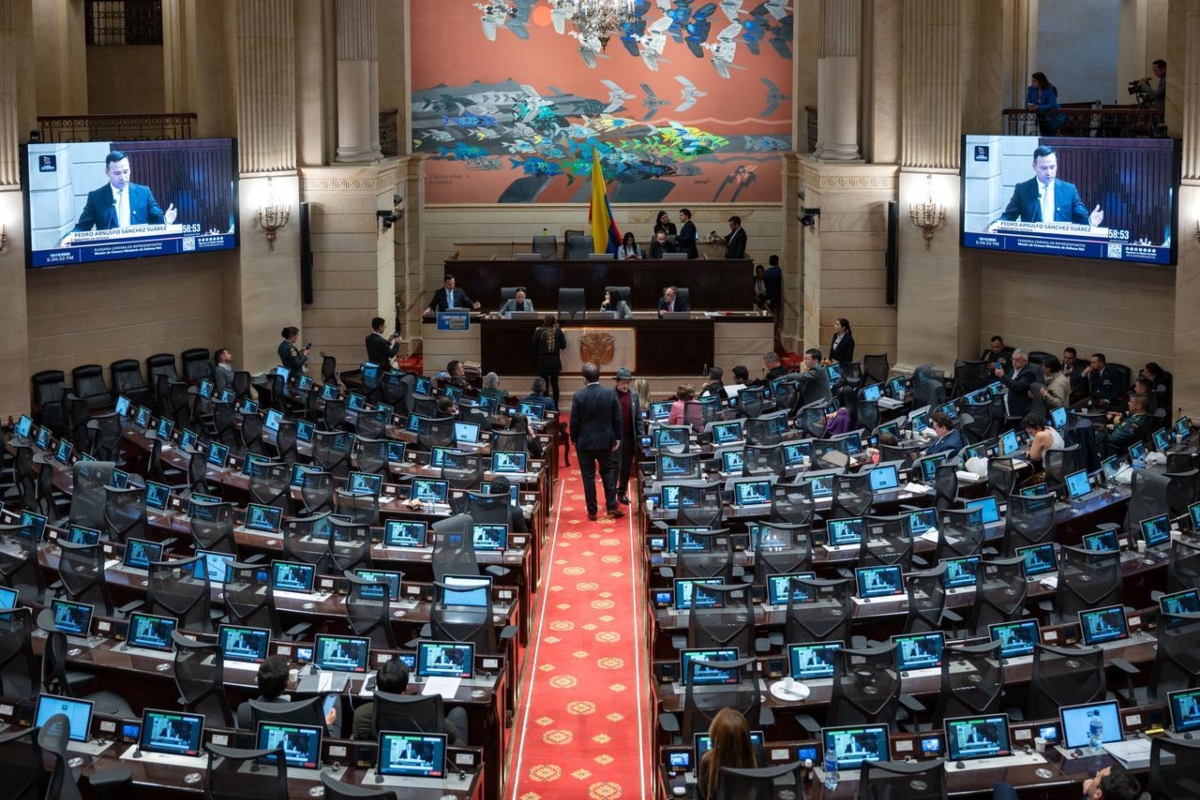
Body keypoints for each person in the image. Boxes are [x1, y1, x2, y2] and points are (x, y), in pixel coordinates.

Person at [352, 659, 466, 744]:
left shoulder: (362, 714)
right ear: (406, 688)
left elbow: (359, 739)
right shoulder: (428, 710)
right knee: (458, 713)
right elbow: (451, 735)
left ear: (376, 685)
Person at [569, 362, 624, 522]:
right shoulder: (610, 393)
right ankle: (612, 505)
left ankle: (592, 510)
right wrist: (618, 437)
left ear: (584, 378)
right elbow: (617, 417)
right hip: (605, 441)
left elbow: (574, 420)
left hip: (584, 442)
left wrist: (574, 438)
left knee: (588, 476)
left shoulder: (579, 396)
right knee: (607, 472)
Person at [998, 145, 1103, 227]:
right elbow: (1009, 216)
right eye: (1044, 168)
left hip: (1061, 247)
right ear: (1034, 166)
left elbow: (1082, 218)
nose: (1049, 172)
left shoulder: (1069, 190)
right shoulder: (1022, 190)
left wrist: (1091, 221)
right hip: (1032, 246)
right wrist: (996, 225)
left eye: (1052, 167)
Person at [73, 150, 177, 232]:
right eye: (117, 173)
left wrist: (166, 220)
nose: (123, 177)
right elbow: (82, 226)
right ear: (107, 172)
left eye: (126, 172)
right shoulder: (96, 197)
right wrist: (69, 237)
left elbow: (157, 219)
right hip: (109, 253)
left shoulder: (143, 193)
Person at [236, 655, 338, 732]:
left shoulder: (243, 711)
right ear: (287, 684)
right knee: (335, 698)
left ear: (257, 681)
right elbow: (321, 737)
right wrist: (327, 724)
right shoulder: (305, 713)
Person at [696, 707, 768, 800]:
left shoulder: (706, 760)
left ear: (715, 738)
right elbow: (768, 793)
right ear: (746, 737)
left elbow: (702, 796)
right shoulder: (759, 753)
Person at [610, 367, 641, 506]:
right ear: (617, 382)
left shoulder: (634, 395)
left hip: (629, 437)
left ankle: (621, 493)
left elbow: (638, 419)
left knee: (627, 467)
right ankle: (610, 496)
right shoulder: (610, 395)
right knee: (615, 467)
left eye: (628, 383)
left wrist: (640, 438)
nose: (625, 386)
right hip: (615, 438)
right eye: (623, 383)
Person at [1098, 393, 1150, 458]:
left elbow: (1114, 440)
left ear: (1139, 406)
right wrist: (1109, 426)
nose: (1128, 403)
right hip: (1117, 438)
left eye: (1131, 402)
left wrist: (1097, 433)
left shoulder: (1135, 424)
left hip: (1116, 449)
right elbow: (1124, 426)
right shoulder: (1139, 416)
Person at [532, 315, 567, 408]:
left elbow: (534, 345)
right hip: (555, 361)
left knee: (545, 386)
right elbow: (563, 346)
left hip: (543, 362)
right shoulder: (558, 331)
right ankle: (555, 407)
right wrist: (562, 334)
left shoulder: (539, 331)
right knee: (555, 385)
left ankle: (546, 407)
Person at [996, 348, 1036, 417]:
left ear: (1025, 361)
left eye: (1017, 360)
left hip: (1017, 410)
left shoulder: (1028, 373)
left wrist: (1003, 375)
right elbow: (1007, 382)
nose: (1014, 362)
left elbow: (1018, 386)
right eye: (1013, 359)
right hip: (1005, 407)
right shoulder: (1012, 370)